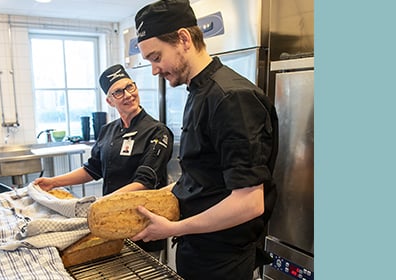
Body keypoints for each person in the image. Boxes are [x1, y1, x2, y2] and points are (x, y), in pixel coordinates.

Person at [130, 1, 279, 279]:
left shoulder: (231, 98)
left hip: (222, 260)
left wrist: (173, 229)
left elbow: (249, 202)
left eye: (156, 57)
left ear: (184, 39)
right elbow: (206, 176)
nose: (154, 70)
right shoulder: (199, 92)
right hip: (199, 249)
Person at [34, 64, 174, 258]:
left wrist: (101, 205)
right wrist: (53, 182)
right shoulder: (107, 131)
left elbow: (144, 182)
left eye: (130, 87)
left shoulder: (158, 132)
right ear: (109, 101)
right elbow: (92, 169)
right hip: (110, 221)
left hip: (142, 223)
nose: (127, 95)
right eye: (118, 92)